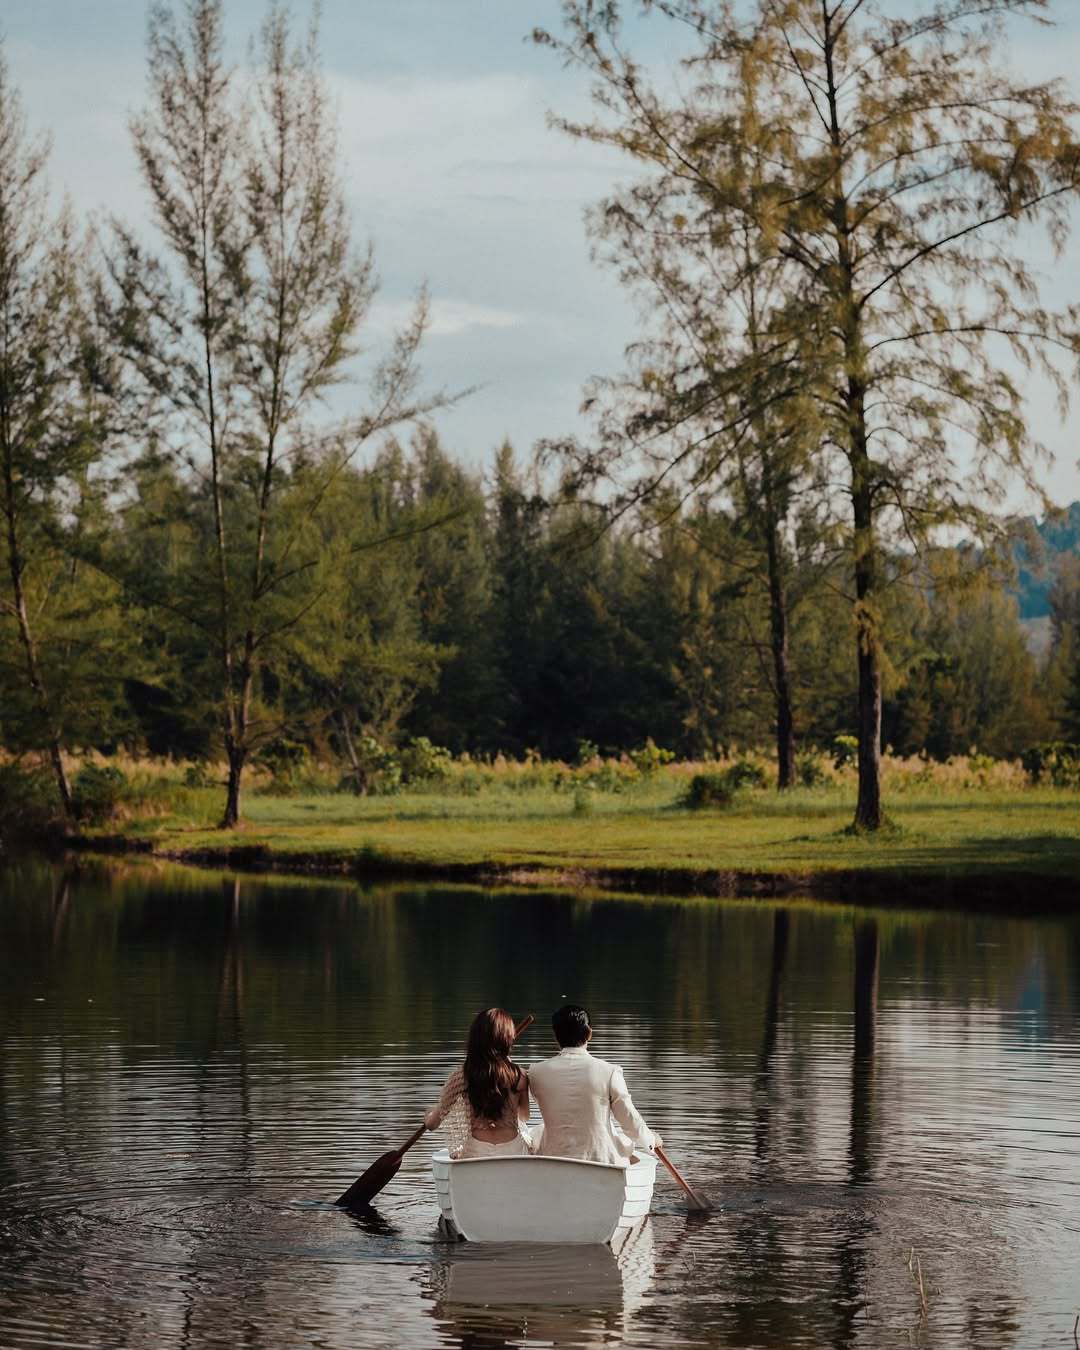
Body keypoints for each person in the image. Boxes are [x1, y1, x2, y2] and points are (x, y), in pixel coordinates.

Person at [528, 1004, 661, 1165]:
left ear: (555, 1035)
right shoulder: (610, 1072)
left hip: (552, 1160)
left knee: (535, 1132)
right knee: (621, 1138)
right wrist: (651, 1140)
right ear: (589, 1033)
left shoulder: (536, 1072)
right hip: (601, 1162)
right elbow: (629, 1119)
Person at [424, 1007, 532, 1159]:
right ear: (508, 1039)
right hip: (513, 1151)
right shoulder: (520, 1075)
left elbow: (432, 1124)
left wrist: (428, 1115)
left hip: (476, 1154)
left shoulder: (462, 1076)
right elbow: (524, 1116)